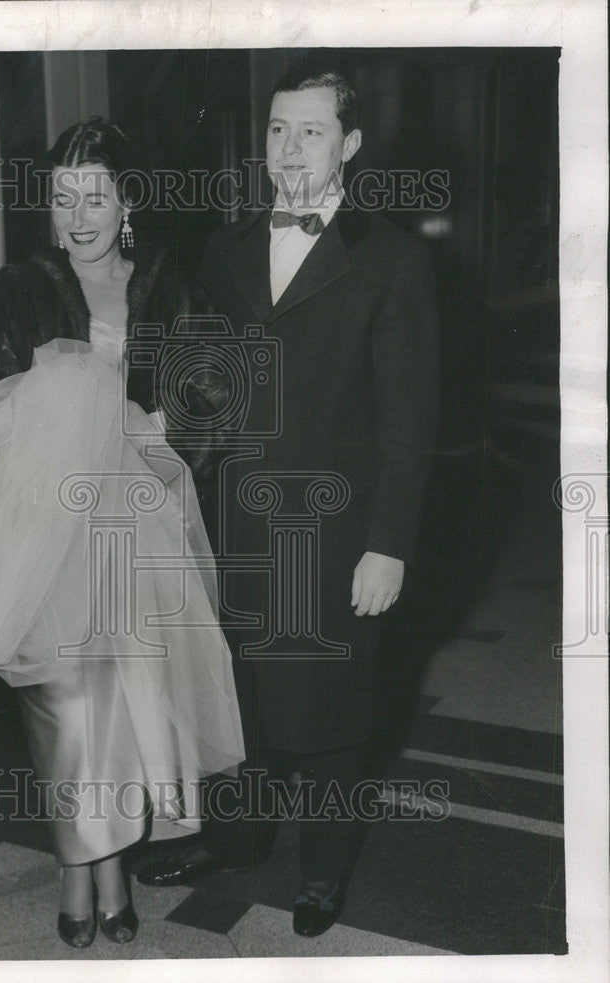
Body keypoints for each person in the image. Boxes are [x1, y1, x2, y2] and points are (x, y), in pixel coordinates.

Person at [0, 118, 244, 949]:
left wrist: (165, 434)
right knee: (64, 707)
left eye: (95, 194)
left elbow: (213, 396)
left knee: (122, 705)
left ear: (129, 202)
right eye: (61, 197)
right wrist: (61, 417)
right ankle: (82, 867)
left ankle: (102, 867)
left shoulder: (168, 287)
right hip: (45, 534)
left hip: (136, 530)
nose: (78, 213)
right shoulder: (15, 291)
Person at [137, 64, 439, 938]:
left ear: (348, 145)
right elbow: (212, 382)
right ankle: (234, 839)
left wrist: (389, 543)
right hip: (234, 521)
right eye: (277, 130)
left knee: (335, 713)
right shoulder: (227, 247)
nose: (289, 148)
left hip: (338, 531)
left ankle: (324, 873)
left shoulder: (393, 258)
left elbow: (410, 421)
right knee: (242, 695)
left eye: (310, 131)